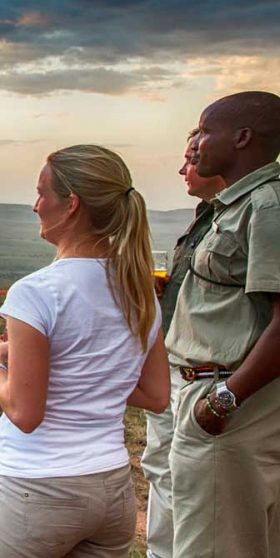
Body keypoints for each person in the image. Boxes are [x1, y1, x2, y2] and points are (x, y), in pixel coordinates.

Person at [0, 145, 169, 557]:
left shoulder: (36, 292)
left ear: (72, 204)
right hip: (111, 491)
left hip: (36, 489)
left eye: (42, 193)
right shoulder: (141, 291)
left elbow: (25, 414)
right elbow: (155, 395)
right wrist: (71, 371)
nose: (35, 205)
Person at [165, 91, 280, 558]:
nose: (197, 143)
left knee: (211, 545)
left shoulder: (266, 208)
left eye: (205, 130)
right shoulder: (236, 205)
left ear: (242, 137)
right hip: (218, 395)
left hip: (229, 401)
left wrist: (225, 400)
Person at [141, 130, 227, 558]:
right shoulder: (205, 216)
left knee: (195, 482)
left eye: (192, 158)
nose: (183, 168)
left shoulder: (258, 213)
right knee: (160, 467)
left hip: (211, 376)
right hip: (175, 362)